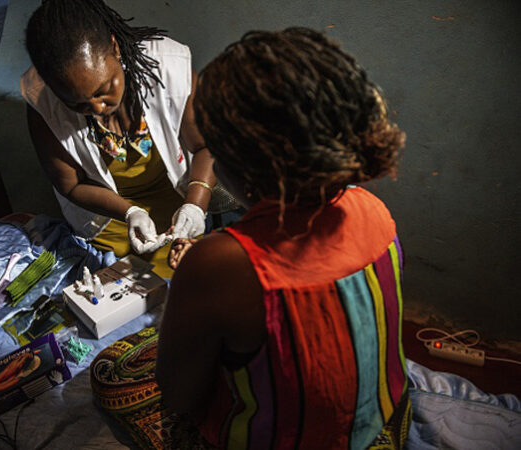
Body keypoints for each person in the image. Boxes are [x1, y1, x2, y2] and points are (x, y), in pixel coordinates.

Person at [91, 27, 411, 449]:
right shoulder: (374, 210)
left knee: (112, 370)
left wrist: (197, 284)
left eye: (205, 152)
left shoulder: (219, 267)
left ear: (240, 168)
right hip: (386, 420)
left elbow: (181, 397)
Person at [21, 0, 215, 278]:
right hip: (107, 217)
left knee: (196, 277)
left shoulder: (169, 67)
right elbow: (72, 186)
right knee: (125, 292)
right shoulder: (42, 104)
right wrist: (130, 212)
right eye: (78, 104)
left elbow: (204, 146)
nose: (99, 108)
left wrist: (195, 205)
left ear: (114, 47)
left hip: (177, 200)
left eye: (104, 89)